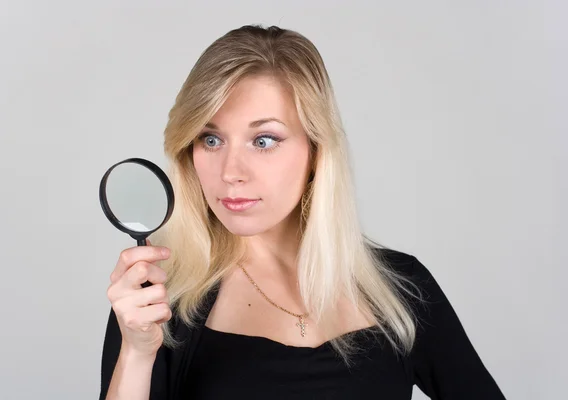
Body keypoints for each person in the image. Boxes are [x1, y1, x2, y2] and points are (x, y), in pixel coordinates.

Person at [99, 25, 506, 399]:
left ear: (315, 151)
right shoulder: (159, 302)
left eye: (263, 140)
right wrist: (136, 352)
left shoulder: (400, 290)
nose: (230, 172)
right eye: (211, 139)